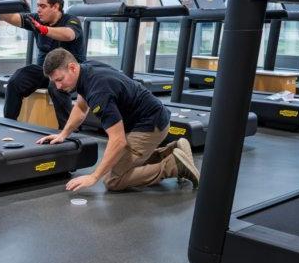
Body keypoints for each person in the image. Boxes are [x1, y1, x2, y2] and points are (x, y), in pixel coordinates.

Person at [36, 48, 200, 192]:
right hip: (148, 118)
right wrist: (63, 134)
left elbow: (118, 140)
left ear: (72, 68)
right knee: (114, 165)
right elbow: (80, 107)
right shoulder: (86, 69)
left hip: (149, 126)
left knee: (113, 180)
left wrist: (93, 177)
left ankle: (173, 165)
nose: (57, 87)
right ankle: (172, 150)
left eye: (59, 80)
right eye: (54, 82)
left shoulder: (98, 92)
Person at [0, 0, 86, 128]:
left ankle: (69, 133)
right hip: (45, 72)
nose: (38, 10)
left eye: (43, 6)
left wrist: (43, 29)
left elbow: (68, 35)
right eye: (37, 6)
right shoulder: (36, 19)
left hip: (70, 74)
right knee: (16, 79)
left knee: (55, 85)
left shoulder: (71, 20)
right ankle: (9, 124)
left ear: (55, 7)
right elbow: (13, 18)